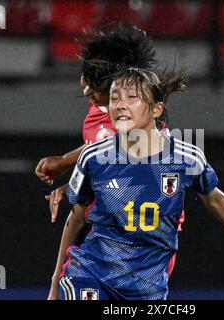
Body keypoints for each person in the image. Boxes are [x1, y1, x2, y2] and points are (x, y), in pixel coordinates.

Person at [58, 67, 224, 300]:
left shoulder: (186, 159)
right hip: (91, 274)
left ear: (157, 109)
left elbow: (213, 197)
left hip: (147, 286)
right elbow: (75, 219)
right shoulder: (93, 158)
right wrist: (56, 283)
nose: (120, 105)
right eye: (114, 98)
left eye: (132, 97)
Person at [37, 25, 183, 299]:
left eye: (95, 85)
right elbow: (102, 150)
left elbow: (115, 160)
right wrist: (69, 165)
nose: (86, 88)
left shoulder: (136, 126)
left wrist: (74, 180)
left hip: (144, 236)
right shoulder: (103, 106)